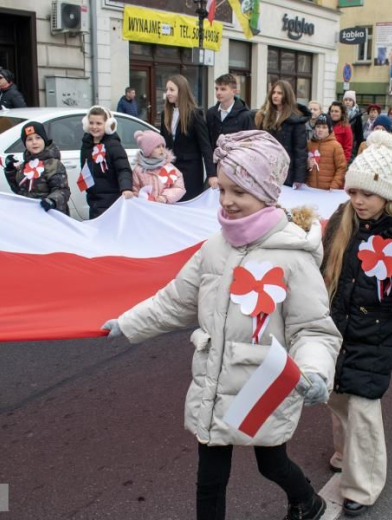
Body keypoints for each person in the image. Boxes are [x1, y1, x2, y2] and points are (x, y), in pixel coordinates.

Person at [101, 130, 342, 520]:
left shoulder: (293, 258)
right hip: (215, 382)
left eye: (240, 193)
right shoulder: (215, 246)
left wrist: (314, 370)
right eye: (223, 188)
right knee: (209, 478)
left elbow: (312, 330)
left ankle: (307, 502)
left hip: (264, 385)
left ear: (266, 194)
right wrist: (128, 323)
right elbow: (177, 300)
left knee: (271, 464)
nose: (227, 201)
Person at [322, 136, 392, 516]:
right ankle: (345, 456)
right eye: (353, 191)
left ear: (385, 193)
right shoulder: (343, 220)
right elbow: (326, 267)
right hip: (338, 326)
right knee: (337, 396)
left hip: (375, 334)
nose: (359, 200)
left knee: (364, 407)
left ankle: (363, 487)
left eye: (367, 193)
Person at [161, 75, 216, 198]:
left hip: (190, 170)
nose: (168, 93)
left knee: (189, 203)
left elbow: (205, 146)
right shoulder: (165, 113)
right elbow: (163, 143)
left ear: (182, 91)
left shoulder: (195, 114)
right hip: (171, 169)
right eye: (167, 90)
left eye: (171, 90)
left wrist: (212, 174)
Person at [3, 121, 70, 214]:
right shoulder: (24, 166)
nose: (34, 142)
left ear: (44, 140)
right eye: (29, 139)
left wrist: (52, 201)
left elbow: (63, 190)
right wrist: (10, 170)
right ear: (25, 143)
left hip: (51, 214)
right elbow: (18, 190)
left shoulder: (54, 165)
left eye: (38, 138)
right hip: (31, 214)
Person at [80, 106, 133, 219]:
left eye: (98, 123)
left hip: (112, 200)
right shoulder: (86, 144)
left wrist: (126, 187)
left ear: (108, 125)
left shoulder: (113, 145)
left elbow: (123, 169)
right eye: (91, 123)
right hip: (93, 200)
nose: (94, 127)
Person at [254, 80, 310, 187]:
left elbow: (300, 151)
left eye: (279, 93)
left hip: (287, 171)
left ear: (287, 95)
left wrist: (299, 178)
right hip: (267, 169)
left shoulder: (296, 119)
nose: (275, 96)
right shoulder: (266, 116)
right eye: (274, 92)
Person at [131, 130, 186, 203]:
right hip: (146, 209)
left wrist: (165, 197)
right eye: (157, 147)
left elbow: (179, 187)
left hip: (166, 209)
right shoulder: (138, 170)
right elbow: (135, 190)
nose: (161, 149)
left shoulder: (168, 167)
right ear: (148, 151)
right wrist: (144, 198)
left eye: (163, 146)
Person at [206, 74, 255, 152]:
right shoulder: (211, 113)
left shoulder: (245, 116)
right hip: (215, 161)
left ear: (233, 91)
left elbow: (250, 143)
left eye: (223, 89)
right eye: (216, 89)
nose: (218, 92)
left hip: (236, 161)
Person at [306, 113, 346, 190]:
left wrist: (334, 186)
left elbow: (341, 168)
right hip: (310, 189)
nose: (320, 130)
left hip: (327, 191)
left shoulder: (336, 146)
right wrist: (307, 164)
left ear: (329, 129)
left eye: (324, 127)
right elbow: (302, 164)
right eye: (318, 127)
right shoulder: (309, 144)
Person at [343, 91, 365, 159]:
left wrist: (359, 146)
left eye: (350, 100)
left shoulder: (357, 115)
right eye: (346, 100)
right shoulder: (341, 113)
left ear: (353, 102)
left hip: (352, 144)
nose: (347, 102)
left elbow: (359, 133)